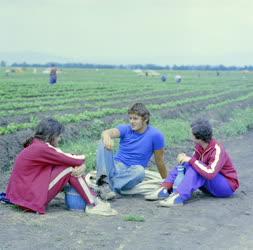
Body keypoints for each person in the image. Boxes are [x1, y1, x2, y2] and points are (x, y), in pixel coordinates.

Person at [6, 118, 117, 216]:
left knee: (67, 166)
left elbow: (62, 159)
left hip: (22, 198)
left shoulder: (36, 145)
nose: (60, 139)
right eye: (59, 136)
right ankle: (93, 203)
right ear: (52, 136)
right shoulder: (43, 148)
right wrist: (82, 164)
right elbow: (74, 159)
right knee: (69, 169)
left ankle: (93, 198)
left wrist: (79, 164)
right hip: (31, 201)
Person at [146, 118, 239, 207]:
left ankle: (179, 197)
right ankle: (166, 188)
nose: (190, 134)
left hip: (226, 187)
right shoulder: (199, 146)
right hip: (210, 186)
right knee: (187, 164)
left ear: (199, 137)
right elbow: (192, 163)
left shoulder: (217, 149)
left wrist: (190, 159)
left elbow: (210, 173)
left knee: (196, 167)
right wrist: (185, 159)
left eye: (192, 133)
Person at [96, 103, 168, 200]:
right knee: (102, 142)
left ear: (145, 119)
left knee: (140, 171)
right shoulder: (125, 129)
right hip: (116, 167)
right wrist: (106, 136)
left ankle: (108, 187)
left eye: (135, 118)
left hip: (132, 173)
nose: (132, 122)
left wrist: (168, 182)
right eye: (130, 118)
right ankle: (104, 184)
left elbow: (160, 161)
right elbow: (107, 132)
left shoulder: (156, 135)